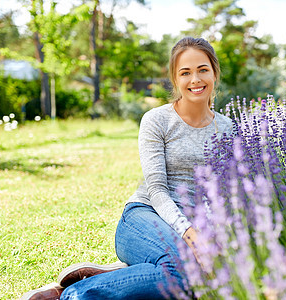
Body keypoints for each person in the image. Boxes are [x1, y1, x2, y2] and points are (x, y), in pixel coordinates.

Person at [21, 36, 233, 300]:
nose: (195, 80)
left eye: (202, 69)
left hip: (192, 228)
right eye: (185, 72)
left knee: (202, 282)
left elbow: (223, 193)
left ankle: (113, 275)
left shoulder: (227, 128)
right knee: (183, 272)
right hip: (145, 216)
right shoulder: (157, 120)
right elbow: (157, 190)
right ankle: (72, 295)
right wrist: (191, 235)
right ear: (175, 79)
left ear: (214, 72)